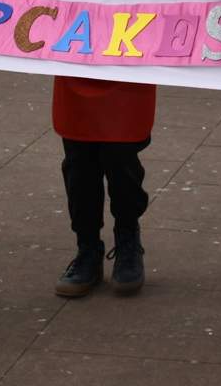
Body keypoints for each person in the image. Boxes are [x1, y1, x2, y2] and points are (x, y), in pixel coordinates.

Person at [51, 77, 154, 298]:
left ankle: (128, 242)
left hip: (126, 68)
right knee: (79, 164)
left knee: (121, 160)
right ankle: (87, 249)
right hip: (76, 65)